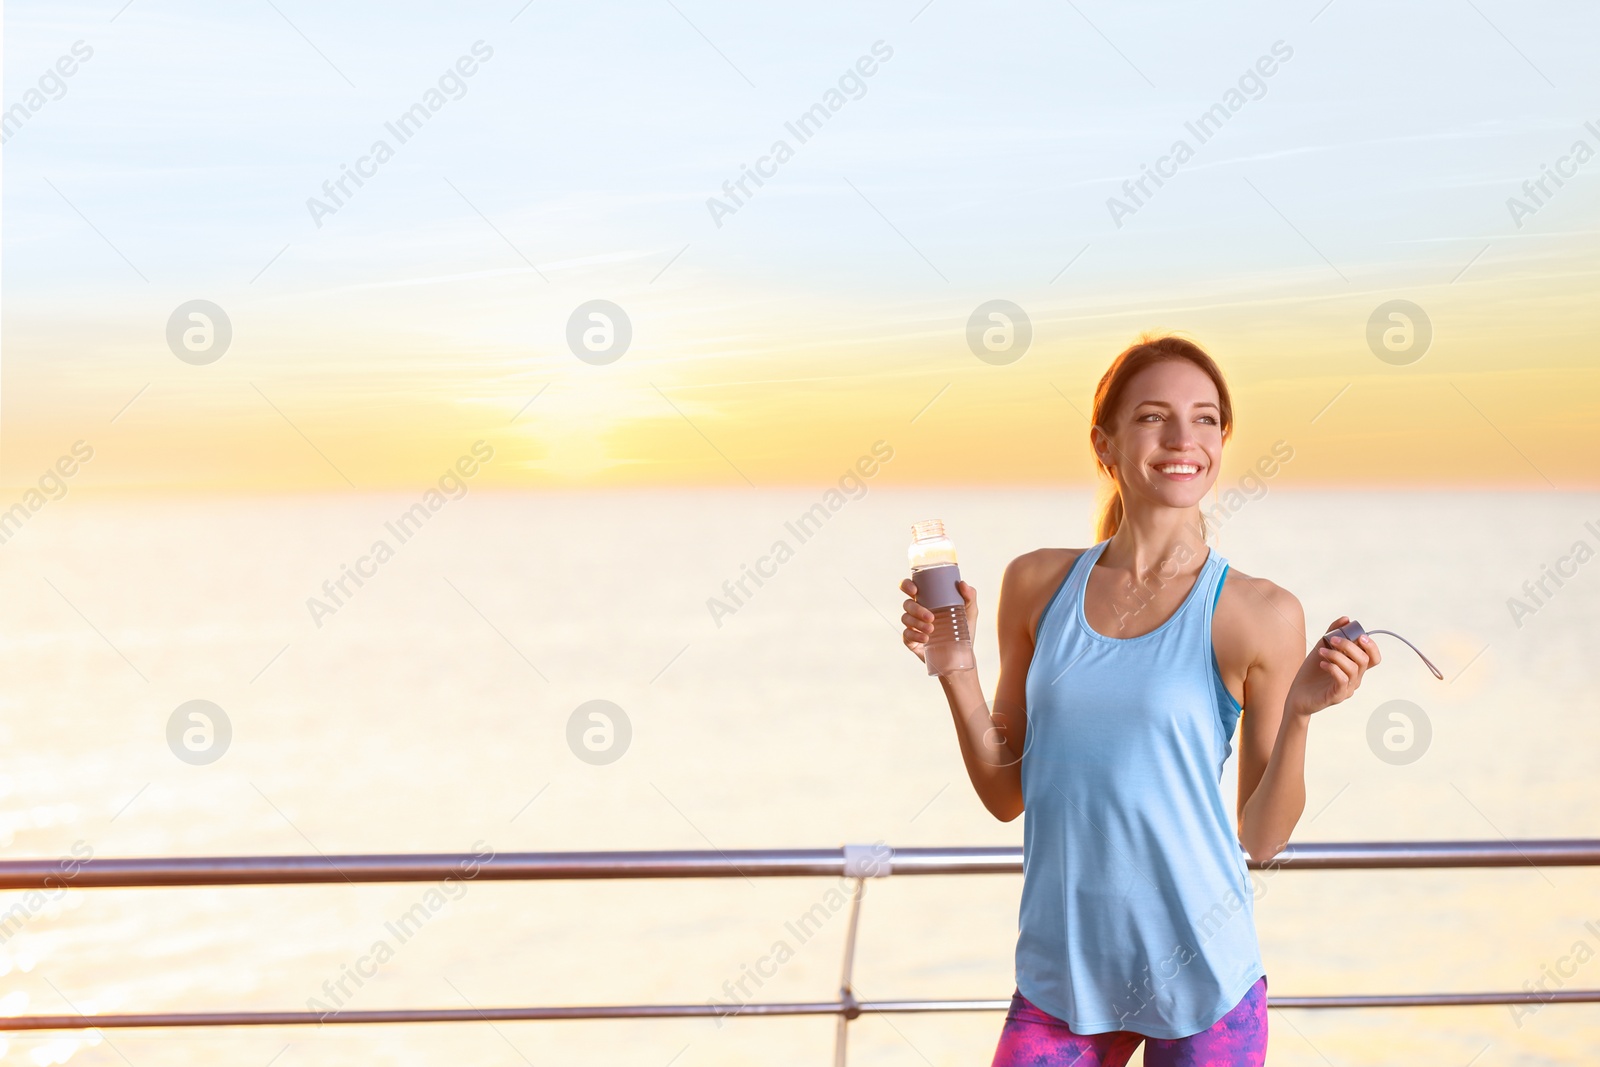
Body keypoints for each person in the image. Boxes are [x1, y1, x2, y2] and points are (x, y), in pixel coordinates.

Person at [898, 334, 1382, 1066]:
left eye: (1207, 418)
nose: (1185, 439)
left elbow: (1261, 837)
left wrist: (1303, 714)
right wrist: (956, 666)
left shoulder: (1258, 612)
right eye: (1155, 417)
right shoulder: (1035, 584)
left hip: (1206, 983)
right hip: (1063, 978)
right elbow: (1005, 792)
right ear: (1105, 443)